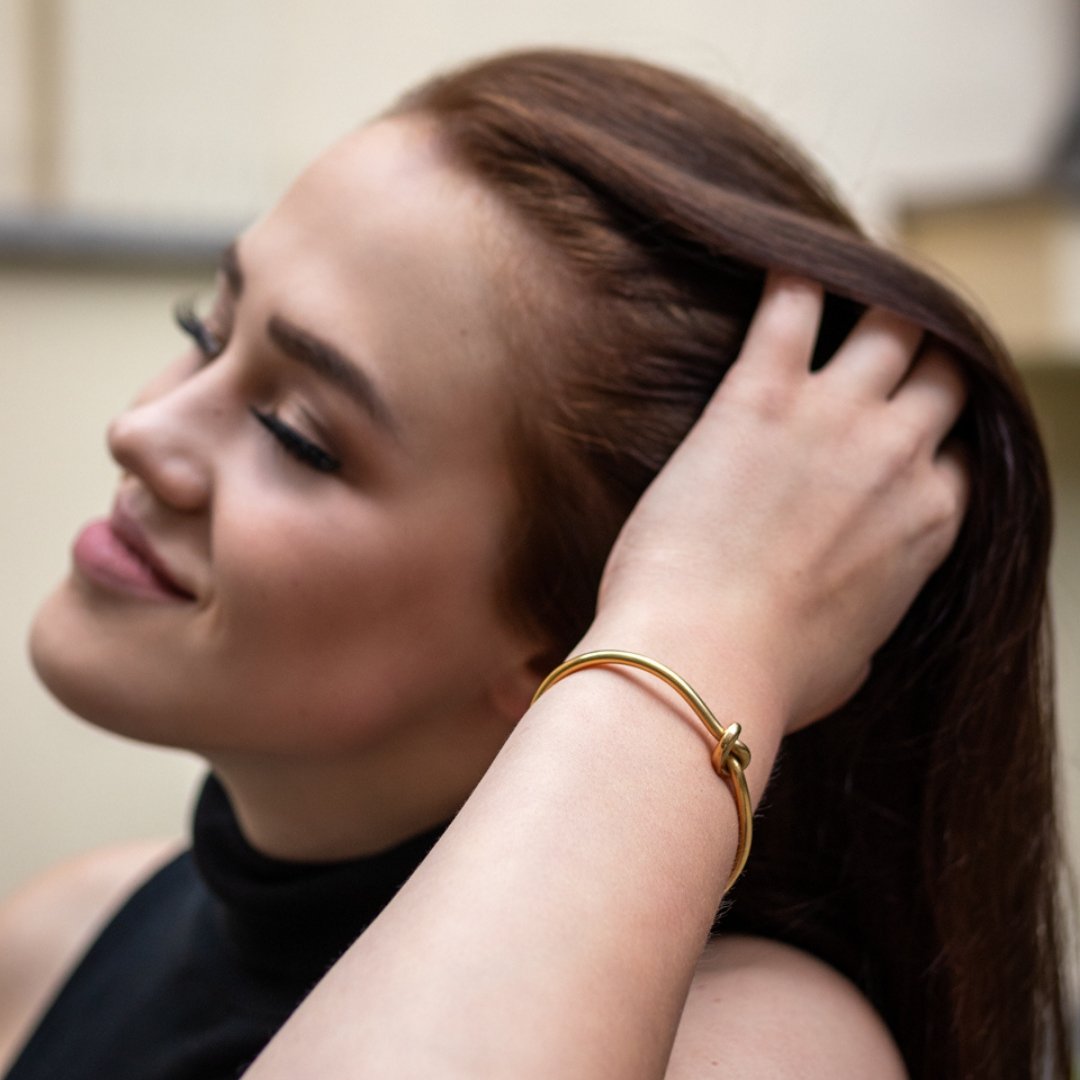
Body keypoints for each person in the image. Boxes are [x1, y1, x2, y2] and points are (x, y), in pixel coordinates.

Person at [0, 48, 1070, 1080]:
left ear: (563, 639)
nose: (142, 431)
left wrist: (705, 618)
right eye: (206, 328)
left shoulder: (758, 1046)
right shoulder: (62, 935)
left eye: (298, 437)